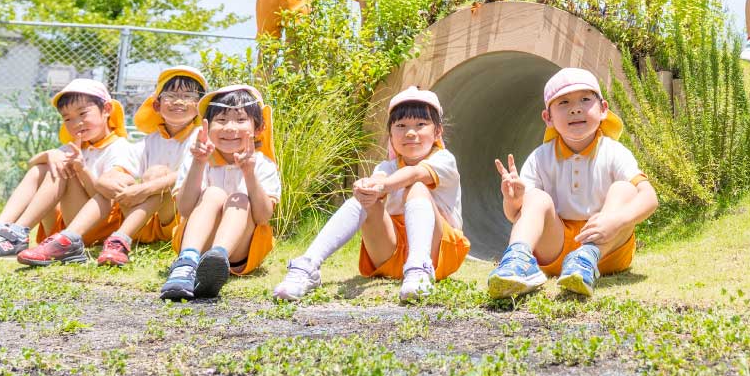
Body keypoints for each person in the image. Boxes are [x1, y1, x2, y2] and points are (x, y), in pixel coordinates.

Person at [273, 87, 469, 302]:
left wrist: (382, 186)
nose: (410, 132)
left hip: (437, 254)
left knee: (417, 187)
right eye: (401, 126)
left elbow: (414, 173)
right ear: (391, 134)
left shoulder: (443, 159)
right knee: (366, 198)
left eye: (420, 125)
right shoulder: (386, 167)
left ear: (437, 132)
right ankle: (307, 266)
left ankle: (419, 268)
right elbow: (377, 182)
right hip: (391, 254)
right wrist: (365, 186)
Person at [487, 68, 658, 299]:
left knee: (625, 188)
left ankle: (585, 258)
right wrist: (513, 200)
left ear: (603, 109)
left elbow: (649, 197)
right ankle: (517, 260)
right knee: (535, 198)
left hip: (606, 250)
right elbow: (515, 215)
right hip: (554, 252)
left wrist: (617, 221)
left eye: (585, 100)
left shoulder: (614, 152)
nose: (575, 108)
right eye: (564, 102)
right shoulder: (540, 157)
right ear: (548, 118)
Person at [0, 79, 137, 263]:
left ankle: (18, 234)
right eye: (67, 118)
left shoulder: (119, 148)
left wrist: (82, 169)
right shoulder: (77, 146)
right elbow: (33, 167)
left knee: (63, 167)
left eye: (83, 113)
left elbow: (106, 197)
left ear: (107, 109)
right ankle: (0, 229)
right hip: (63, 224)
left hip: (92, 228)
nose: (76, 123)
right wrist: (49, 154)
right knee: (44, 166)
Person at [161, 85, 280, 301]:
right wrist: (198, 163)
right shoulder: (198, 159)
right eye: (221, 120)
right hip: (197, 244)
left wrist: (249, 173)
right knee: (214, 193)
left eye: (240, 120)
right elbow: (185, 209)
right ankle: (187, 263)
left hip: (240, 251)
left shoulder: (262, 165)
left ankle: (216, 260)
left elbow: (263, 217)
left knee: (238, 198)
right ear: (206, 126)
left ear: (258, 128)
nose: (230, 128)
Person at [92, 66, 208, 266]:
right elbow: (117, 171)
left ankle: (120, 238)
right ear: (156, 105)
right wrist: (110, 183)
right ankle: (110, 238)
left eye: (188, 96)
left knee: (158, 173)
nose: (179, 101)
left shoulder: (201, 137)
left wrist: (144, 189)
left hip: (177, 220)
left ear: (199, 105)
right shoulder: (148, 141)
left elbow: (188, 174)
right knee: (123, 178)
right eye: (171, 95)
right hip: (144, 224)